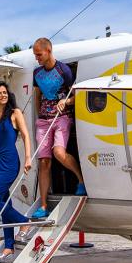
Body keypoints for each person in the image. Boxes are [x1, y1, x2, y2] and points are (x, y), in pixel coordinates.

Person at [32, 37, 86, 219]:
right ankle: (44, 205)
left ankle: (80, 180)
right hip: (44, 120)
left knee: (59, 152)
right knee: (43, 161)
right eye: (35, 55)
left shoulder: (64, 70)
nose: (37, 58)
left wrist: (66, 101)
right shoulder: (37, 73)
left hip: (62, 117)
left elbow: (76, 96)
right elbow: (37, 95)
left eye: (39, 54)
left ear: (48, 51)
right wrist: (39, 115)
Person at [0, 81, 33, 262]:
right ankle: (9, 246)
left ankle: (24, 222)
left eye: (5, 92)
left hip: (10, 162)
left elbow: (26, 135)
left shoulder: (15, 113)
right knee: (5, 205)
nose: (3, 95)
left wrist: (28, 158)